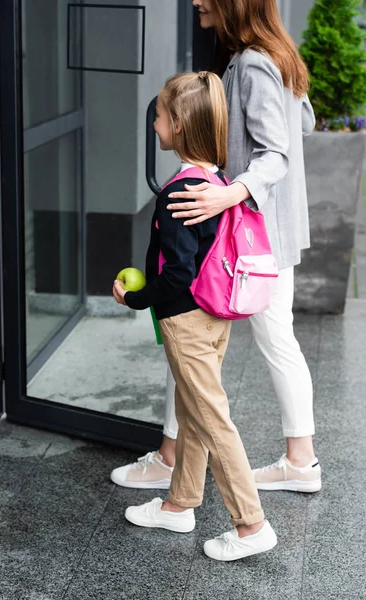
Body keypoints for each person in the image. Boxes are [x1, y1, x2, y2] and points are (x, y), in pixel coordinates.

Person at [111, 0, 321, 495]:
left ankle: (172, 458)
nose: (197, 2)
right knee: (269, 343)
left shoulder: (251, 63)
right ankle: (299, 460)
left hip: (245, 240)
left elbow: (277, 149)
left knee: (188, 335)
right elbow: (304, 123)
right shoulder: (278, 55)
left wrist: (229, 190)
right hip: (268, 233)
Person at [113, 71, 277, 561]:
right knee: (192, 411)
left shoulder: (180, 192)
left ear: (179, 124)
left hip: (186, 318)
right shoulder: (215, 182)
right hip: (214, 315)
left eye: (160, 116)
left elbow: (178, 273)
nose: (156, 124)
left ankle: (251, 525)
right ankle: (179, 503)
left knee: (211, 418)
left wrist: (136, 301)